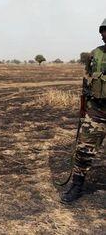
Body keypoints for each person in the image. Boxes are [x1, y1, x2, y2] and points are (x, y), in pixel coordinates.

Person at [60, 18, 106, 203]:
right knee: (83, 151)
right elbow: (85, 84)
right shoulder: (94, 55)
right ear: (101, 33)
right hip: (96, 112)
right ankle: (77, 186)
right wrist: (82, 109)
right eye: (104, 30)